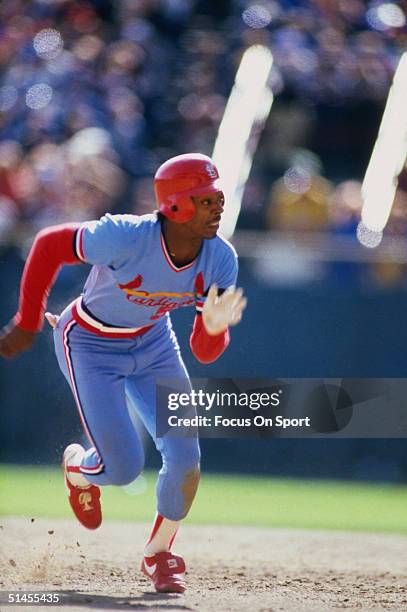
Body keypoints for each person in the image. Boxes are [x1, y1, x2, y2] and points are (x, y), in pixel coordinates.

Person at [0, 153, 247, 594]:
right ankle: (79, 468)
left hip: (154, 344)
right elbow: (50, 244)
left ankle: (159, 553)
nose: (218, 207)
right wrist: (29, 320)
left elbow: (205, 353)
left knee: (187, 462)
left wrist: (213, 328)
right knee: (124, 468)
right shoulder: (127, 235)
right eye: (205, 199)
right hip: (91, 343)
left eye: (218, 197)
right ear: (175, 206)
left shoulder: (220, 259)